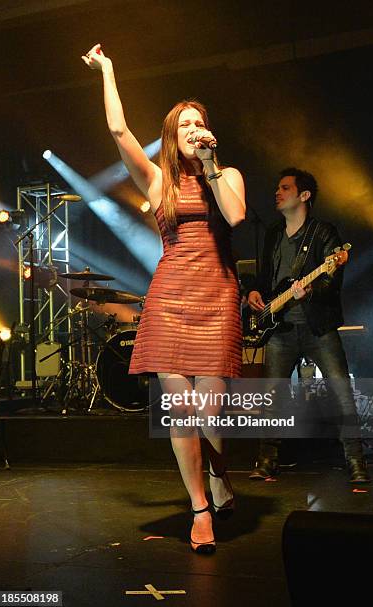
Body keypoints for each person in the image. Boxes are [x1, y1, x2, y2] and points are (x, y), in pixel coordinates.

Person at [82, 44, 246, 553]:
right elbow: (118, 131)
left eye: (200, 123)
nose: (194, 130)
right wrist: (109, 69)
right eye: (185, 126)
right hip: (171, 296)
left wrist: (212, 162)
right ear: (173, 137)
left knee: (210, 412)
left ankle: (217, 475)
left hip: (217, 295)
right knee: (180, 410)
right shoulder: (156, 179)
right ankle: (200, 507)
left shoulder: (228, 174)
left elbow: (236, 217)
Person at [248, 168, 370, 484]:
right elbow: (265, 277)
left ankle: (356, 462)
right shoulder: (273, 233)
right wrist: (254, 292)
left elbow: (332, 279)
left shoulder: (324, 233)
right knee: (271, 397)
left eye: (285, 188)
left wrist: (312, 289)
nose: (277, 192)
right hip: (281, 329)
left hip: (318, 328)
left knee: (342, 393)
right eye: (277, 187)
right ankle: (266, 460)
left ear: (304, 196)